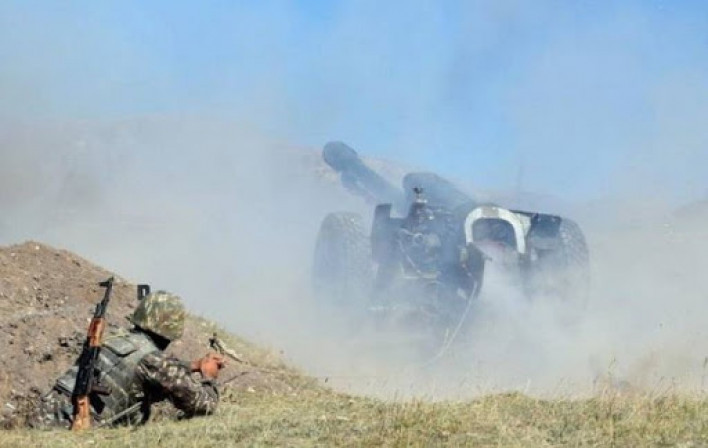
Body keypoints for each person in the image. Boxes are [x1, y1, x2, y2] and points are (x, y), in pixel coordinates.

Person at [30, 291, 225, 428]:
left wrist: (193, 365)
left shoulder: (116, 339)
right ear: (170, 331)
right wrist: (209, 377)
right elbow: (203, 405)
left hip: (44, 417)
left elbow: (147, 366)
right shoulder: (154, 361)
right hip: (73, 426)